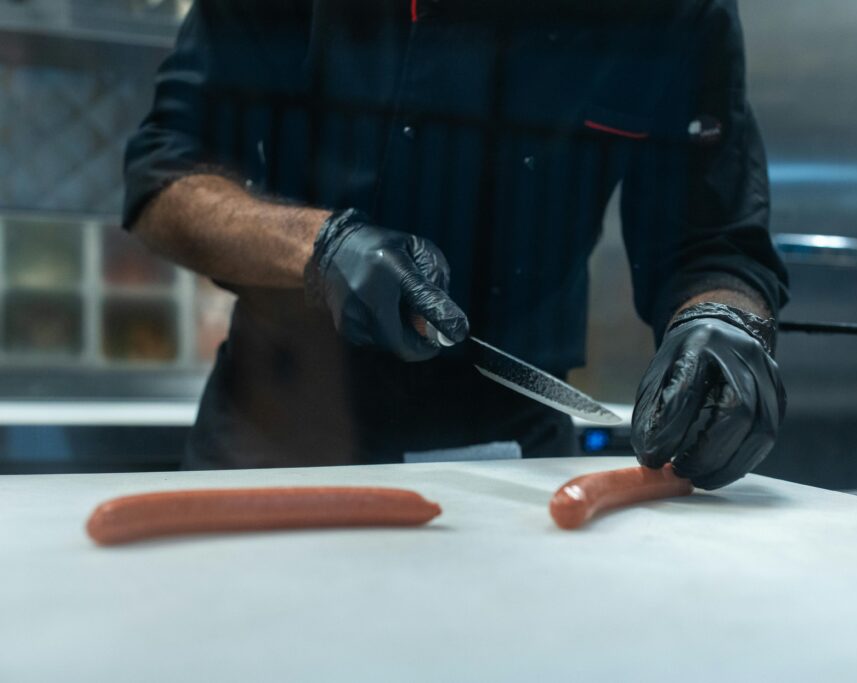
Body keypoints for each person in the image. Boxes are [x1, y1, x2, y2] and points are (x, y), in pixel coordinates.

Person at [123, 0, 787, 489]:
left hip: (513, 464)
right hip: (276, 435)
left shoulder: (671, 14)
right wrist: (322, 249)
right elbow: (167, 180)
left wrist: (723, 319)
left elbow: (712, 242)